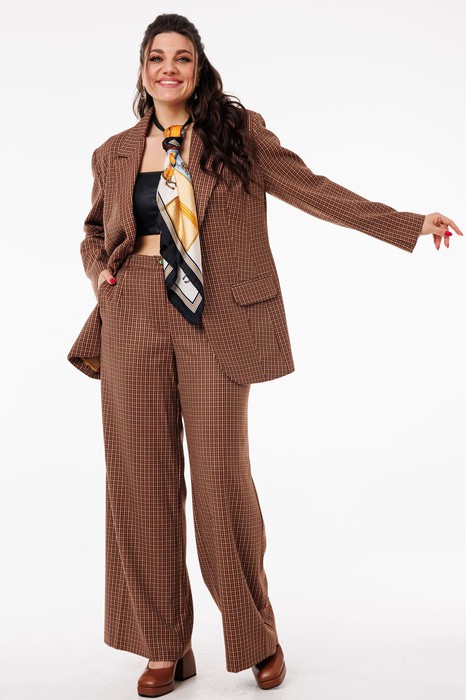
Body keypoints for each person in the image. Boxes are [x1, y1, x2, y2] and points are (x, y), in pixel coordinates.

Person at [67, 12, 462, 698]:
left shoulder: (236, 133)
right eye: (157, 58)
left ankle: (257, 637)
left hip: (215, 315)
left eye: (181, 58)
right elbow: (95, 229)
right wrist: (100, 271)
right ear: (142, 70)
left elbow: (313, 189)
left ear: (198, 68)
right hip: (132, 315)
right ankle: (164, 647)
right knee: (140, 481)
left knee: (222, 482)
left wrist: (405, 223)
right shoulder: (114, 151)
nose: (168, 69)